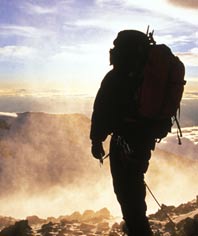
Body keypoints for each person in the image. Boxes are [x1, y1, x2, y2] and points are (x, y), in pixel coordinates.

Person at [90, 30, 156, 236]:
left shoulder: (115, 78)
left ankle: (138, 230)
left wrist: (96, 140)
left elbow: (101, 109)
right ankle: (138, 225)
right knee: (135, 183)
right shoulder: (147, 76)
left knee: (126, 191)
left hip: (122, 142)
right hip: (144, 140)